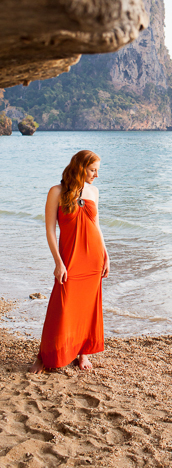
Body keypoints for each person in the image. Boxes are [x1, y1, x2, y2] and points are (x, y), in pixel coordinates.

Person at [29, 150, 108, 373]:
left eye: (97, 171)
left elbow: (97, 226)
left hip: (93, 256)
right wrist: (58, 261)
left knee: (88, 306)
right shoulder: (56, 192)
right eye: (93, 170)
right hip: (70, 258)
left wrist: (106, 254)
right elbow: (50, 230)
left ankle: (82, 354)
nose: (96, 175)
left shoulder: (94, 191)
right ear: (81, 167)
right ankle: (44, 356)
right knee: (60, 305)